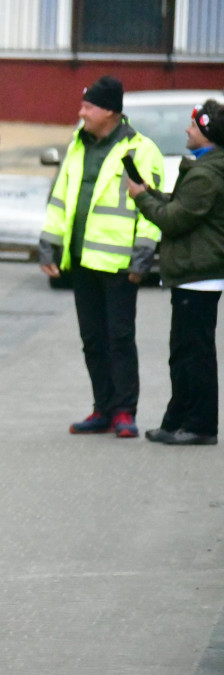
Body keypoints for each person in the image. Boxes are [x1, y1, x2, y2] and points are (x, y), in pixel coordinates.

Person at [38, 76, 165, 438]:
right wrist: (49, 244)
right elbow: (61, 198)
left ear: (109, 111)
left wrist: (143, 256)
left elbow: (151, 207)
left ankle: (125, 411)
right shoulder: (78, 145)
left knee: (120, 337)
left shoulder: (141, 151)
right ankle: (103, 408)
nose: (82, 113)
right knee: (92, 338)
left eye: (88, 107)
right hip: (80, 260)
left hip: (119, 262)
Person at [127, 99, 224, 445]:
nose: (187, 130)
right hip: (191, 275)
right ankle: (178, 420)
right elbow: (179, 205)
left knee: (194, 355)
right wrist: (153, 193)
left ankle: (200, 425)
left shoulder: (207, 174)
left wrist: (140, 197)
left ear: (207, 133)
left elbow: (174, 220)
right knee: (182, 353)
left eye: (193, 126)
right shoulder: (202, 169)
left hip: (199, 275)